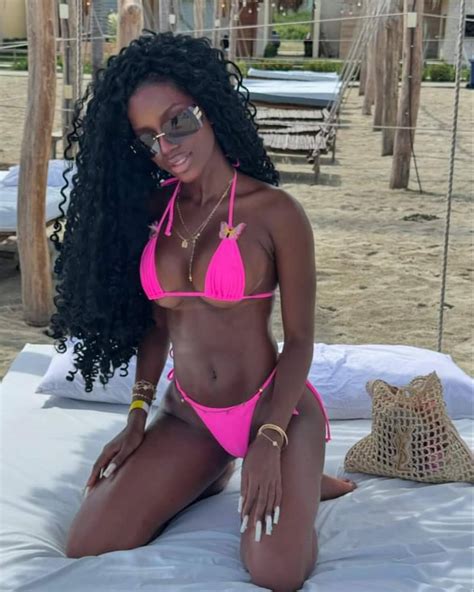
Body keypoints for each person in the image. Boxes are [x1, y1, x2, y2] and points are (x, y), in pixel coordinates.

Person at [49, 31, 356, 590]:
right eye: (148, 137)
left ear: (209, 107)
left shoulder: (276, 213)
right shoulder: (152, 211)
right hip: (190, 416)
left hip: (274, 412)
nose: (166, 145)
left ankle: (303, 476)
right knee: (88, 541)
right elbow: (158, 325)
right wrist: (137, 416)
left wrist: (269, 440)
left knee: (276, 573)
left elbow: (300, 341)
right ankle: (214, 467)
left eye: (178, 121)